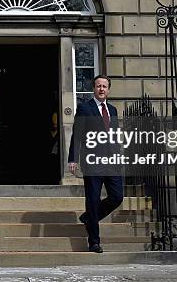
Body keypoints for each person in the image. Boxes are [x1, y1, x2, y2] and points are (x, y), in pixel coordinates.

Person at [68, 75, 124, 253]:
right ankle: (94, 242)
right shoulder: (85, 108)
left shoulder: (113, 110)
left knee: (117, 197)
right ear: (94, 88)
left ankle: (89, 218)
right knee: (92, 200)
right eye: (99, 86)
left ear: (108, 90)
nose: (101, 89)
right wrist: (73, 158)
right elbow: (77, 134)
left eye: (105, 86)